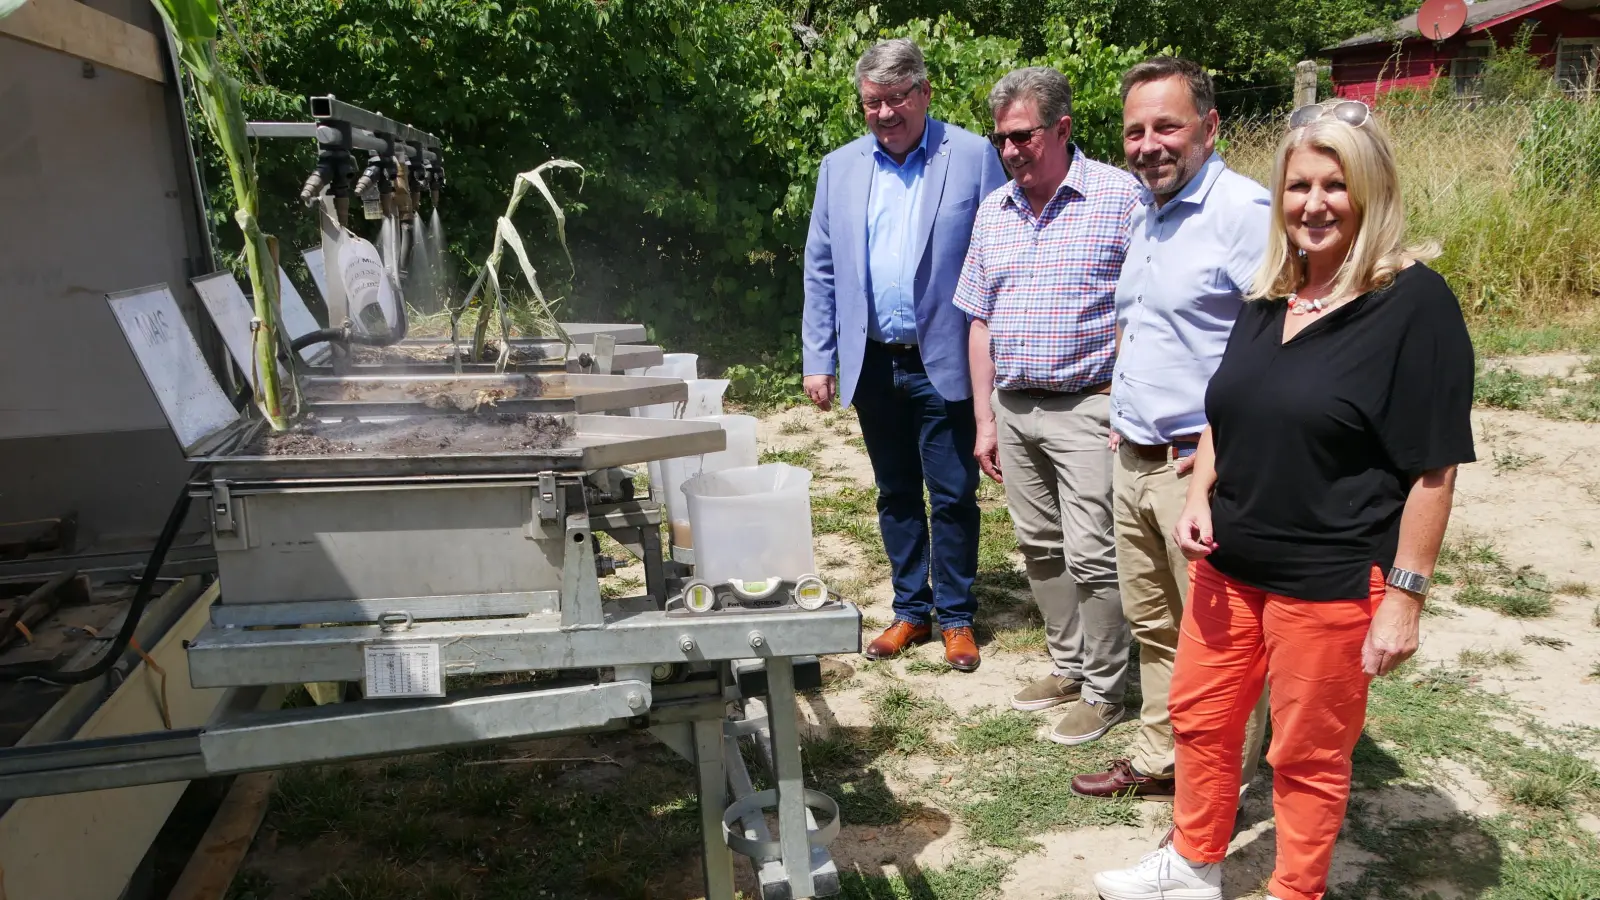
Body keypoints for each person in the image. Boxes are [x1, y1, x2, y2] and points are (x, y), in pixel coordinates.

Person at [1093, 99, 1475, 900]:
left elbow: (1434, 470)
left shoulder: (1415, 306)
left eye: (1334, 185)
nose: (1313, 204)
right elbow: (1225, 412)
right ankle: (1194, 864)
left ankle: (1293, 889)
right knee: (1200, 719)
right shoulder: (1273, 292)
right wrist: (1200, 493)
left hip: (1330, 580)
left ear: (1370, 191)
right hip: (1231, 563)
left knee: (1304, 755)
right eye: (1298, 185)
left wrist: (1404, 598)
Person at [1071, 57, 1271, 801]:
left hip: (1203, 470)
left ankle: (1222, 788)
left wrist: (1223, 460)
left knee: (1222, 641)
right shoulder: (1145, 211)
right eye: (1135, 130)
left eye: (1167, 126)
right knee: (1155, 624)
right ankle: (1163, 759)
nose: (1149, 143)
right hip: (1137, 459)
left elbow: (1278, 346)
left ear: (1209, 128)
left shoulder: (1244, 214)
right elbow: (1143, 325)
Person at [802, 39, 1007, 671]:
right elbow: (822, 268)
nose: (885, 113)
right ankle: (910, 609)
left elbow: (1003, 252)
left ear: (923, 93)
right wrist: (820, 354)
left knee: (950, 492)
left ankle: (956, 616)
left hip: (944, 357)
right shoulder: (839, 168)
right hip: (872, 360)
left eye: (896, 99)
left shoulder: (972, 156)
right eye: (872, 102)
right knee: (894, 491)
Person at [954, 67, 1140, 745]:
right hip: (1013, 406)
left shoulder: (1120, 198)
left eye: (1022, 136)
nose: (1009, 151)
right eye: (1000, 139)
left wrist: (1125, 400)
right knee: (1040, 547)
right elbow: (979, 320)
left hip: (1087, 404)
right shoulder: (993, 212)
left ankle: (1105, 688)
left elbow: (1138, 309)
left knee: (1093, 554)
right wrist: (984, 419)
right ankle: (1068, 665)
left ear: (1061, 129)